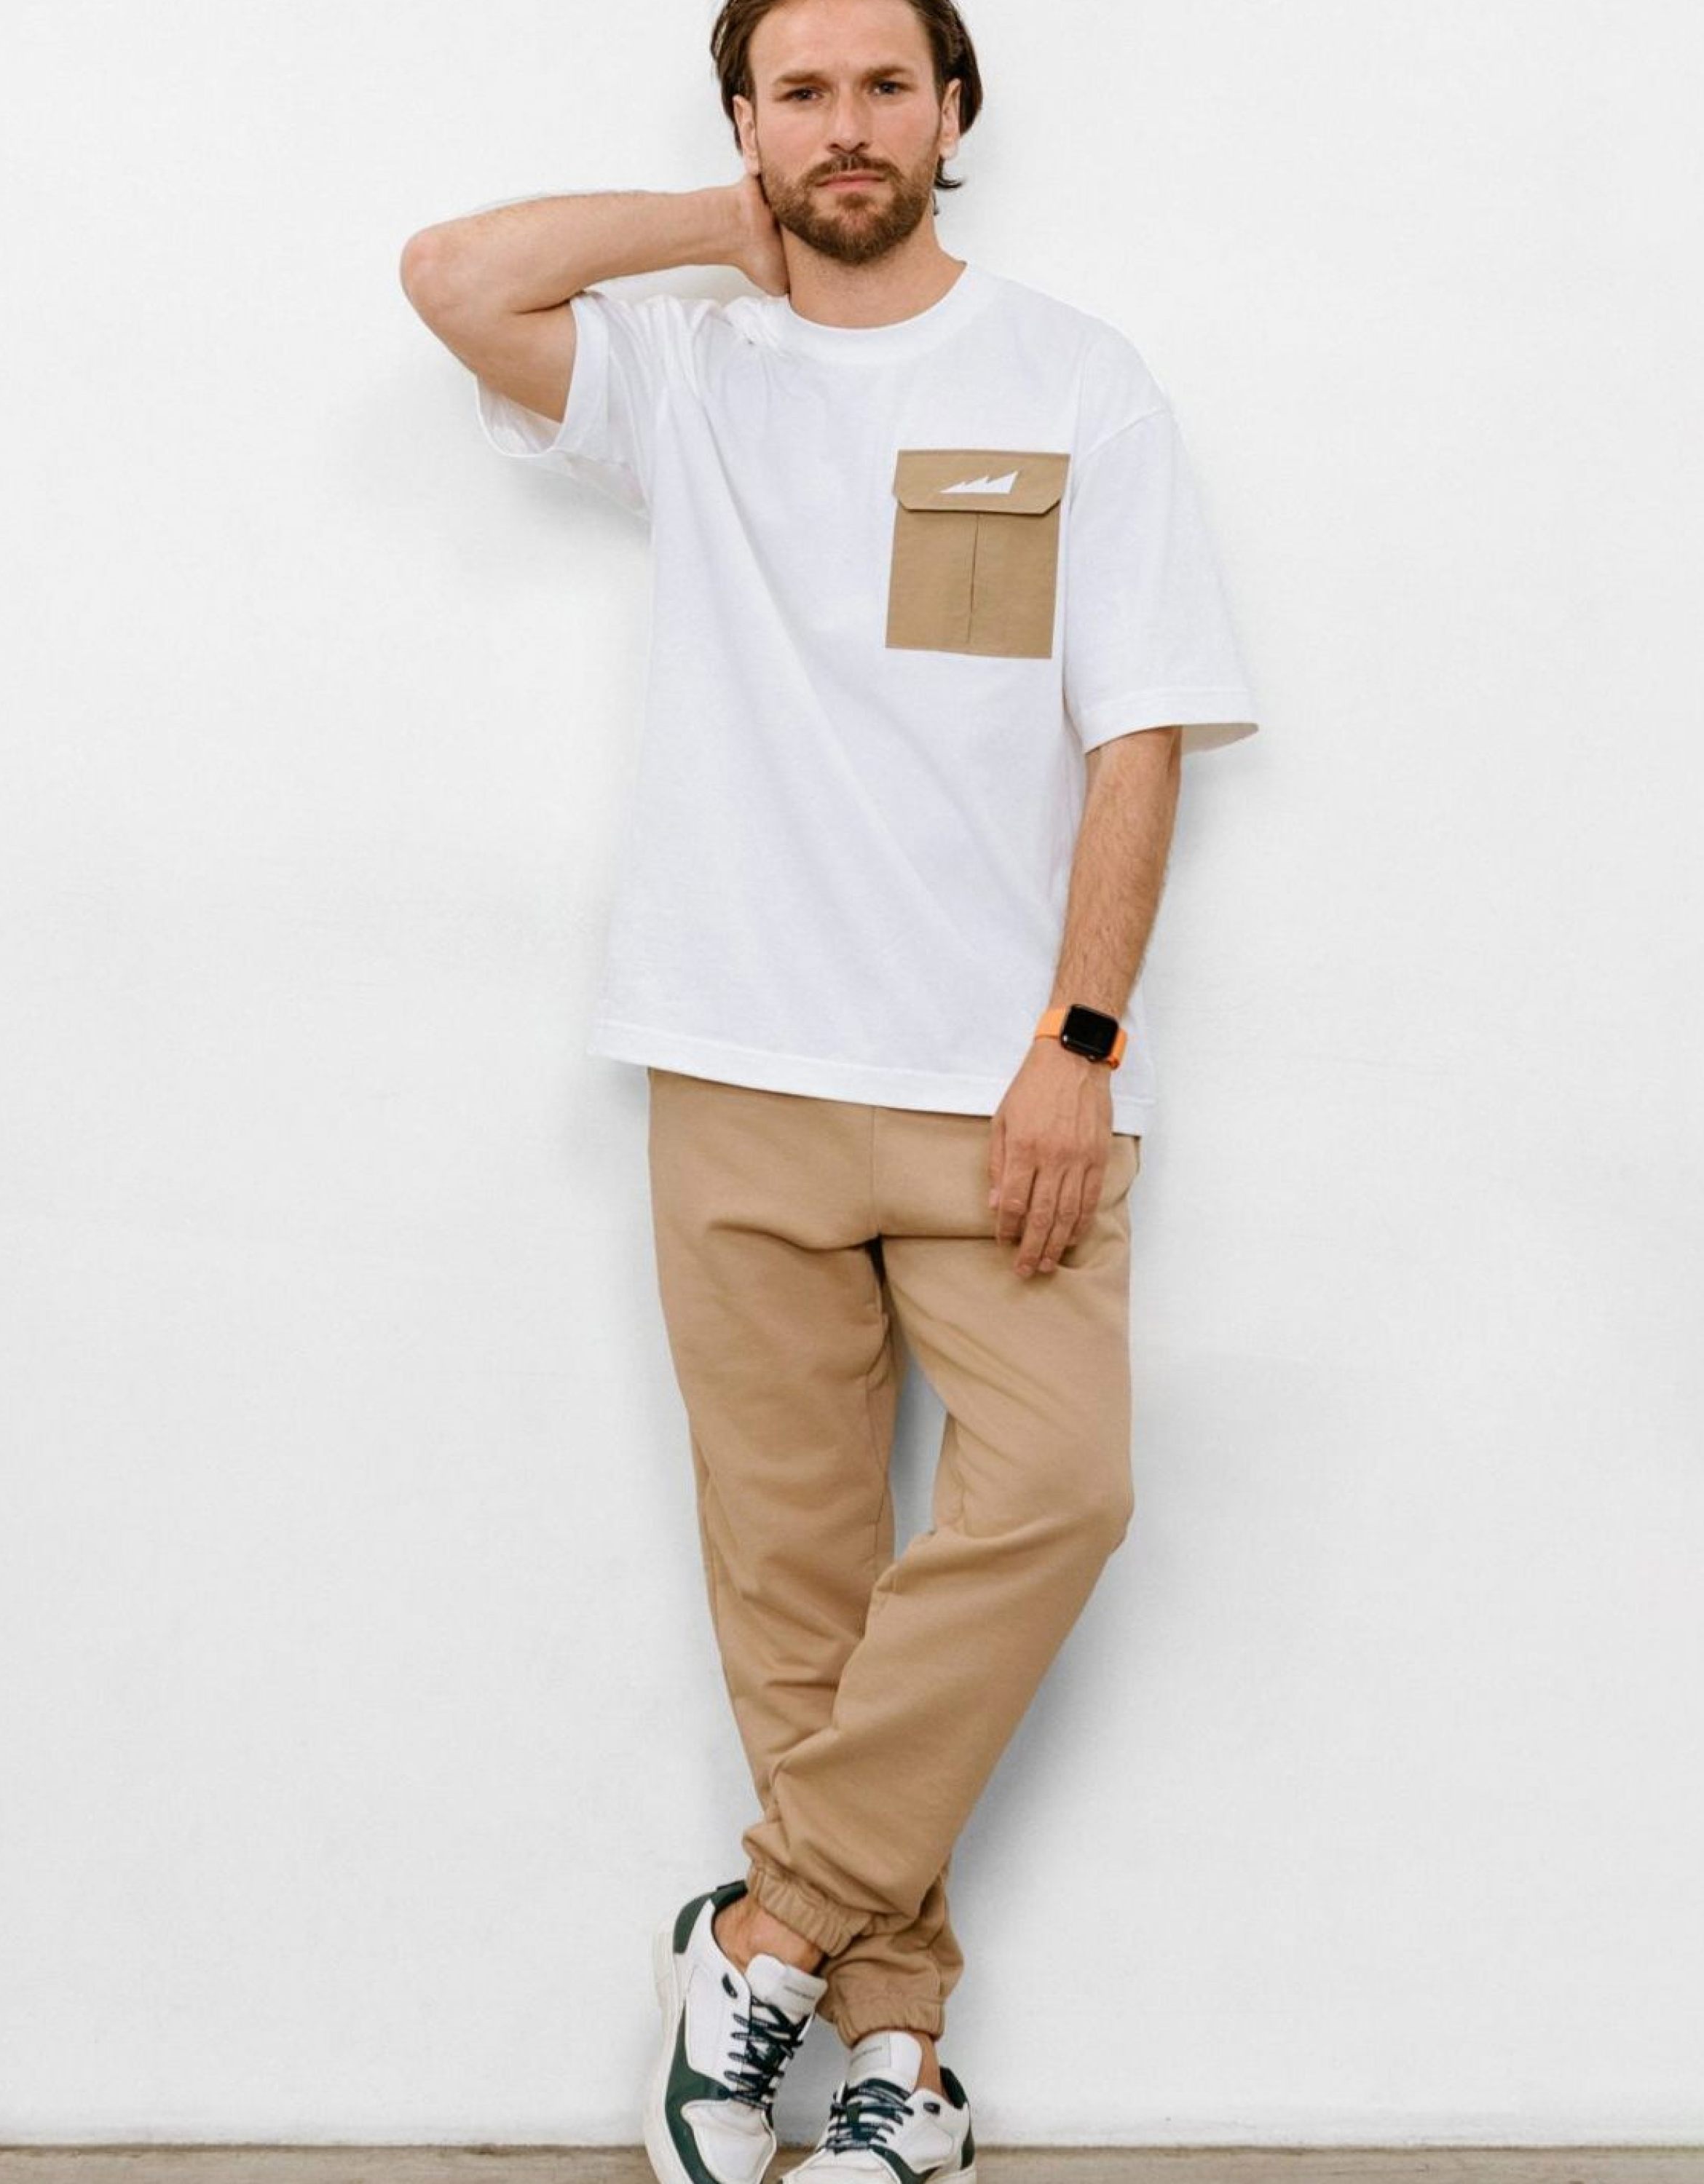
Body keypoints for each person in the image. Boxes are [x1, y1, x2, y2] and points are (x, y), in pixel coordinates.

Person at [401, 0, 1259, 2175]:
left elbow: (1139, 730)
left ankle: (761, 1933)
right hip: (735, 1065)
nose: (849, 126)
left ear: (956, 111)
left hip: (1003, 1087)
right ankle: (899, 2061)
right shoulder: (691, 373)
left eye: (887, 86)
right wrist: (725, 233)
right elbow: (455, 276)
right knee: (799, 1604)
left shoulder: (1075, 377)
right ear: (747, 121)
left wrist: (1079, 1044)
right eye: (802, 93)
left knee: (1060, 1493)